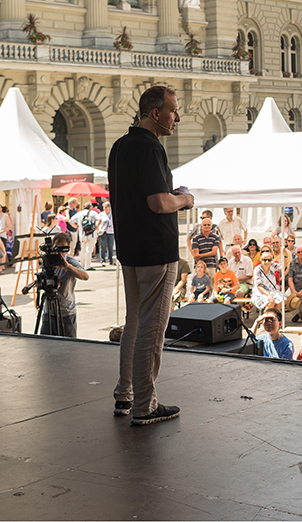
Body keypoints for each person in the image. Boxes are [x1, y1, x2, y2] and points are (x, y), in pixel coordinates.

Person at [109, 85, 194, 426]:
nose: (177, 117)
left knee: (134, 322)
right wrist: (185, 200)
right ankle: (145, 404)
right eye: (174, 110)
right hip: (156, 251)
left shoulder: (119, 146)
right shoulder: (151, 148)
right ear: (155, 113)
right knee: (152, 328)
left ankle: (125, 393)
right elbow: (158, 203)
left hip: (129, 248)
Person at [38, 231, 89, 337]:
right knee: (45, 343)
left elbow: (85, 276)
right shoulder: (48, 260)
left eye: (63, 248)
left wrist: (68, 267)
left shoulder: (70, 261)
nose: (60, 252)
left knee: (69, 345)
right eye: (57, 248)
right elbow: (42, 276)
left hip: (66, 311)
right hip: (49, 311)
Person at [284, 244, 302, 323]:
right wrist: (293, 290)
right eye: (298, 252)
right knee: (287, 296)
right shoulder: (292, 263)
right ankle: (299, 314)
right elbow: (290, 279)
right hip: (295, 285)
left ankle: (301, 313)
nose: (300, 253)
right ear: (296, 254)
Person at [252, 248, 284, 315]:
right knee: (271, 301)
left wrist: (285, 255)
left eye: (269, 260)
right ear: (261, 260)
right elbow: (259, 286)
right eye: (264, 260)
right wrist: (268, 295)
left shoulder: (272, 265)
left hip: (271, 290)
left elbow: (282, 266)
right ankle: (264, 319)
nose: (267, 262)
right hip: (260, 292)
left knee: (283, 300)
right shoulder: (257, 269)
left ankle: (270, 315)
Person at [187, 210, 220, 274]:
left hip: (211, 265)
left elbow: (214, 252)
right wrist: (200, 264)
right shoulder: (196, 238)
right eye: (205, 225)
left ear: (211, 226)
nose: (207, 226)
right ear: (201, 226)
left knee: (211, 283)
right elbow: (196, 254)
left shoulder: (216, 237)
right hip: (199, 266)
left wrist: (200, 255)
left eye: (208, 225)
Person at [100, 202, 116, 266]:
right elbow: (98, 222)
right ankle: (102, 260)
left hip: (111, 232)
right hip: (103, 232)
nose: (104, 208)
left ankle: (110, 260)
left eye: (106, 207)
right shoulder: (101, 214)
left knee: (110, 247)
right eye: (103, 207)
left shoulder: (112, 214)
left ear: (109, 207)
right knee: (103, 246)